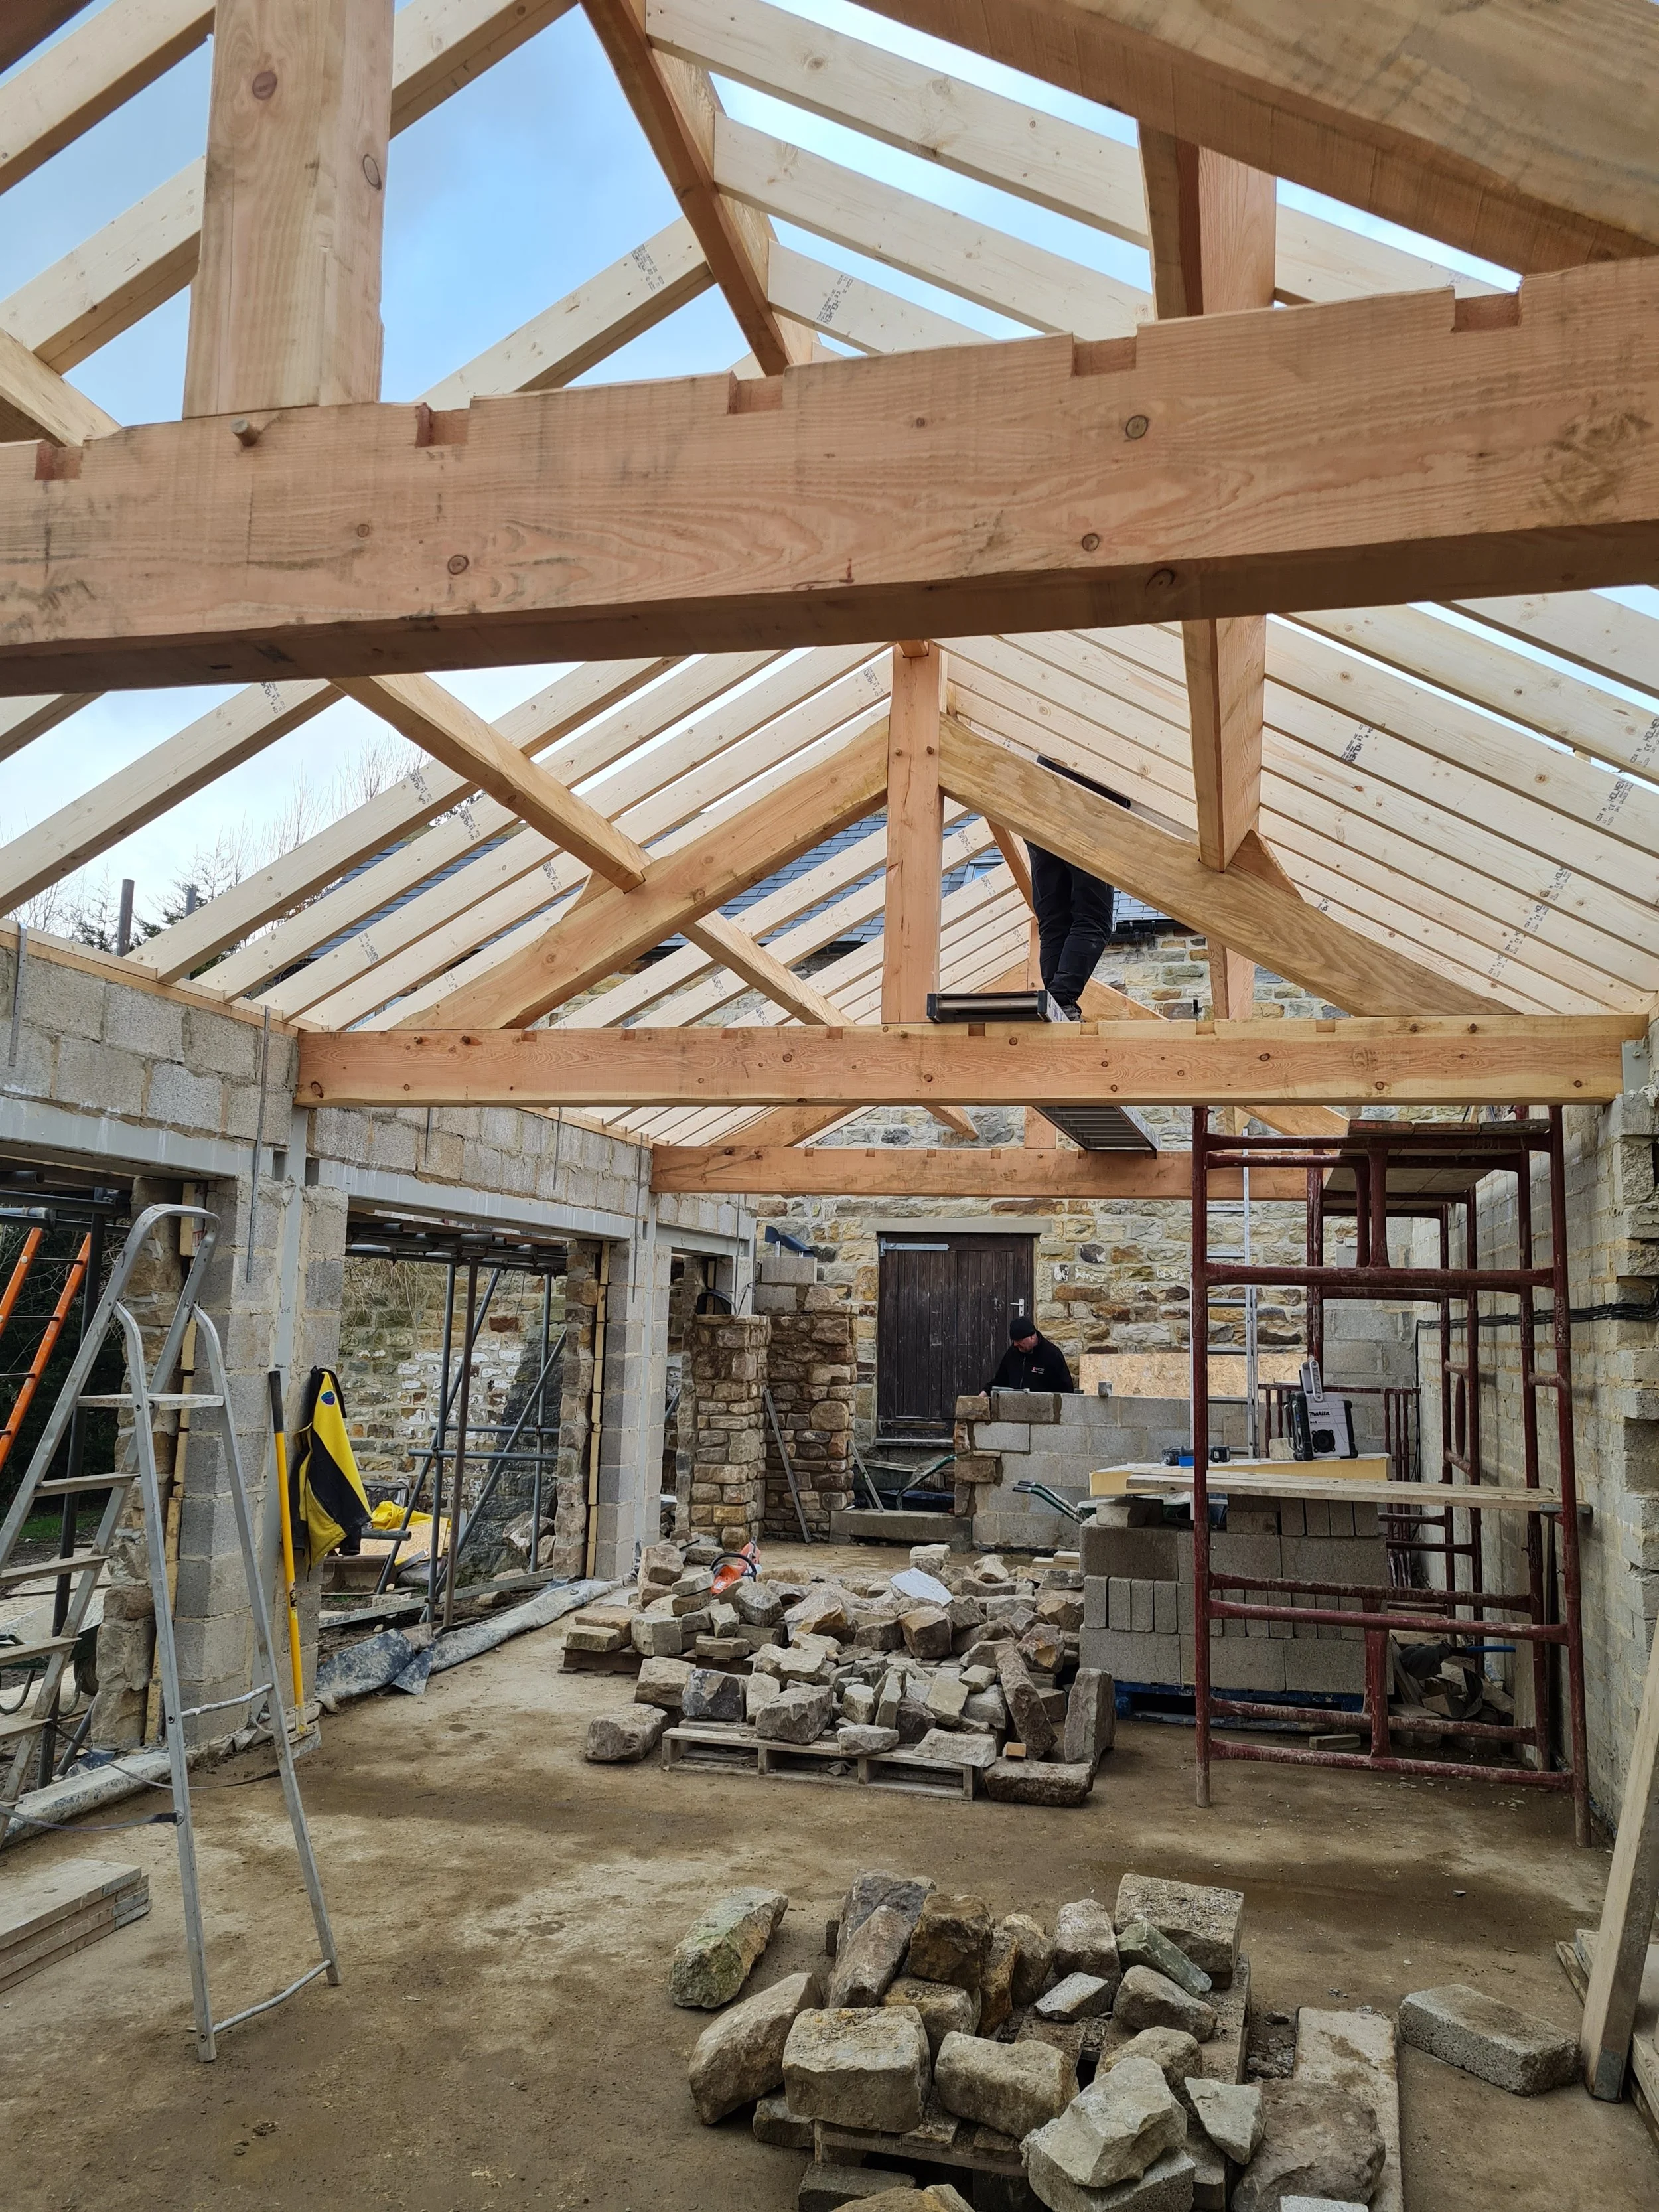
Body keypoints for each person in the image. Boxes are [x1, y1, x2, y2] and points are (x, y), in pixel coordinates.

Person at [1028, 759, 1131, 1019]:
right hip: (1092, 807)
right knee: (1093, 919)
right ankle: (1060, 999)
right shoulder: (1115, 726)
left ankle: (1058, 1003)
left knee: (1054, 921)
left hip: (1037, 803)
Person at [988, 1317, 1076, 1394]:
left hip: (1043, 1409)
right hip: (1013, 1407)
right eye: (1014, 1341)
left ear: (1032, 1337)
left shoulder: (1052, 1355)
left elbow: (1066, 1390)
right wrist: (985, 1392)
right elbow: (1000, 1380)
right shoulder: (1013, 1353)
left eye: (1019, 1340)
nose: (1015, 1344)